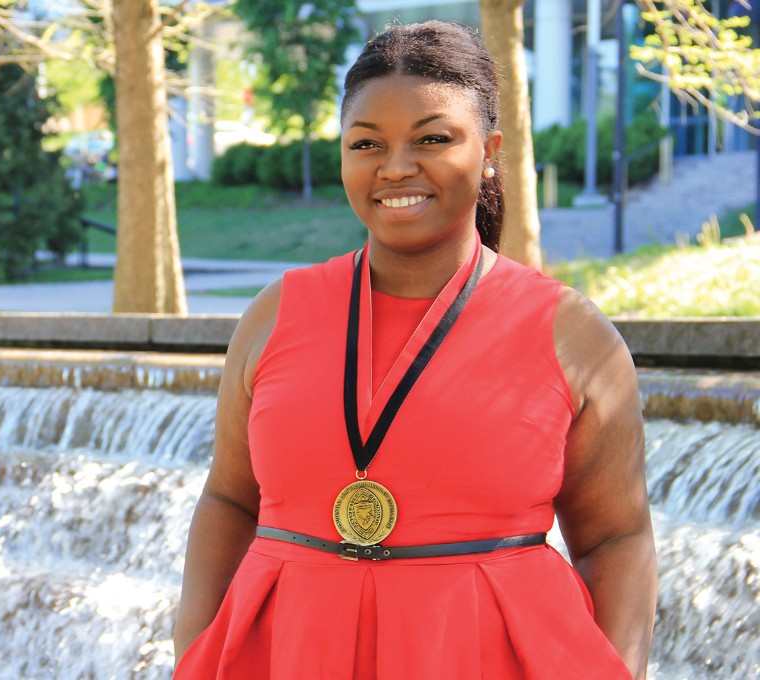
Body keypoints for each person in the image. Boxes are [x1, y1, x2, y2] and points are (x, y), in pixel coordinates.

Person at [172, 21, 656, 680]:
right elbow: (230, 500)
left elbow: (615, 537)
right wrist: (195, 649)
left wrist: (618, 671)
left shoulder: (573, 335)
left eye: (433, 138)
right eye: (367, 143)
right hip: (290, 656)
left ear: (488, 150)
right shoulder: (274, 315)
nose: (397, 167)